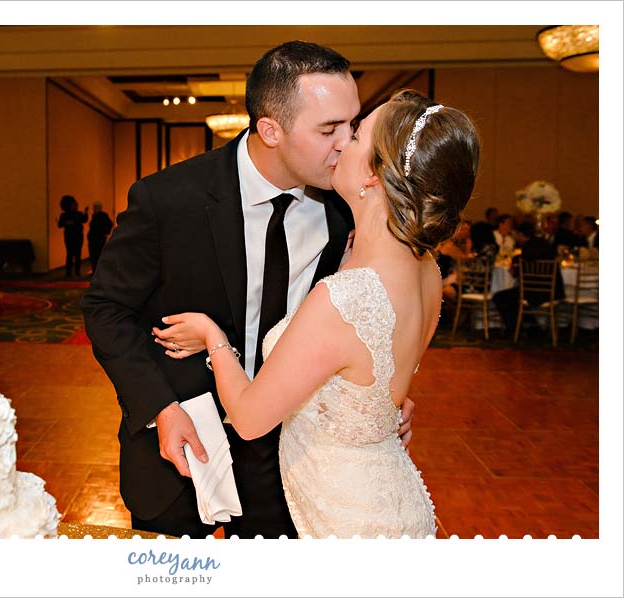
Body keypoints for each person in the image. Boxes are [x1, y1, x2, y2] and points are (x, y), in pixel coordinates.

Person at [81, 41, 415, 539]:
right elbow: (105, 308)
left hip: (291, 456)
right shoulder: (169, 198)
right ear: (270, 129)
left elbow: (376, 312)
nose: (346, 143)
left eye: (352, 125)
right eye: (329, 129)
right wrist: (159, 408)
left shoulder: (347, 206)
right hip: (184, 446)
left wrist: (382, 395)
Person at [156, 90, 480, 537]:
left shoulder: (344, 297)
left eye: (358, 133)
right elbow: (378, 373)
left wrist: (213, 337)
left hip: (346, 517)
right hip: (389, 495)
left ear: (373, 174)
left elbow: (250, 420)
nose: (342, 141)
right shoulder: (426, 269)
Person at [492, 220, 564, 336]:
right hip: (553, 290)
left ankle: (515, 329)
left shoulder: (527, 249)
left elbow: (523, 273)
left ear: (521, 234)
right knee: (513, 298)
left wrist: (515, 268)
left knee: (500, 297)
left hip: (534, 291)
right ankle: (531, 327)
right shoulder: (545, 244)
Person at [57, 195, 88, 277]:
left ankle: (77, 272)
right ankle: (69, 273)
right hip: (69, 237)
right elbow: (59, 224)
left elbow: (84, 220)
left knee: (78, 255)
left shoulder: (78, 213)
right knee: (70, 254)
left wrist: (86, 212)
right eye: (74, 204)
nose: (76, 205)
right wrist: (67, 223)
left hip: (78, 237)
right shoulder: (64, 215)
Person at [87, 202, 114, 274]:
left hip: (99, 239)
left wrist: (105, 232)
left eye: (95, 207)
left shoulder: (103, 216)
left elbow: (109, 224)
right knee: (94, 256)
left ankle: (98, 271)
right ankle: (95, 270)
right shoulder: (95, 216)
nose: (94, 209)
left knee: (97, 255)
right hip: (94, 239)